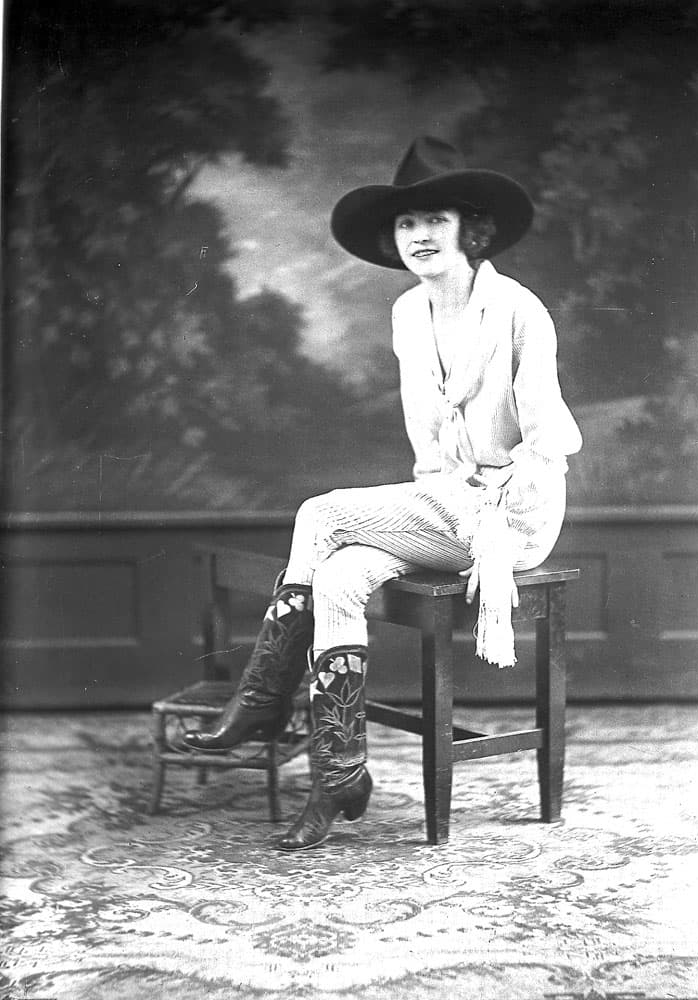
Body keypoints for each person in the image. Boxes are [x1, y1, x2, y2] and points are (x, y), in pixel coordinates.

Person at [181, 135, 582, 851]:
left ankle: (261, 700)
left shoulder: (518, 310)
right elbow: (429, 451)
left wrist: (486, 493)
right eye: (404, 224)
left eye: (434, 219)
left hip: (511, 516)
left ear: (470, 229)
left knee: (321, 512)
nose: (418, 236)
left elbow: (549, 438)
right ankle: (340, 774)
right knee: (337, 574)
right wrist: (441, 493)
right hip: (443, 503)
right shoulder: (407, 313)